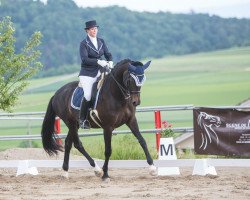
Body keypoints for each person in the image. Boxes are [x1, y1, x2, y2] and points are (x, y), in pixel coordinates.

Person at [79, 20, 113, 129]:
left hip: (101, 70)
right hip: (87, 73)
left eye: (96, 29)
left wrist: (110, 61)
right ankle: (83, 120)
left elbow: (107, 54)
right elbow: (84, 59)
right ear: (87, 31)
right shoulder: (84, 43)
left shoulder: (101, 41)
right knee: (88, 95)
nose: (94, 30)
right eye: (92, 29)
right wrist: (98, 61)